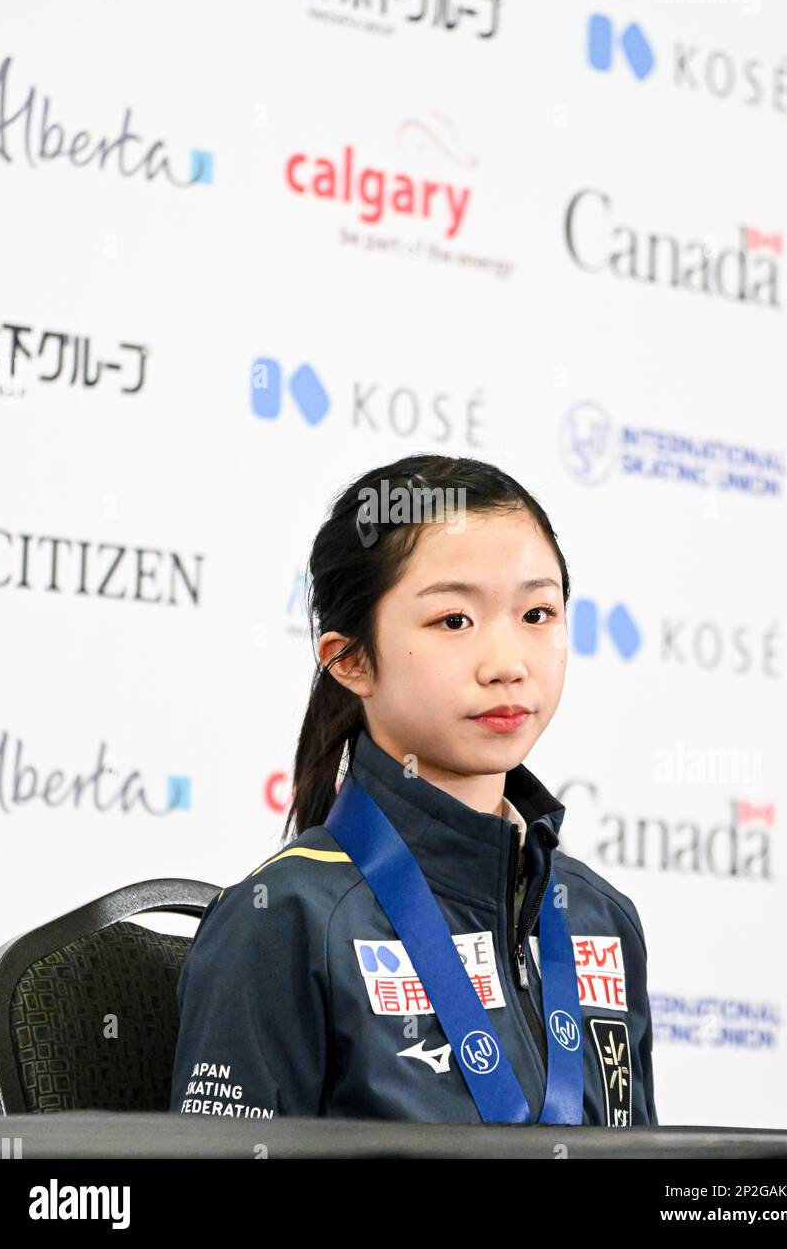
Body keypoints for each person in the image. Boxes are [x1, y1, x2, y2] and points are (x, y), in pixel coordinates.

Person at [169, 453, 657, 1126]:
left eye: (538, 613)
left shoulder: (598, 917)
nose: (509, 665)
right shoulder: (283, 919)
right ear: (352, 661)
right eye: (455, 621)